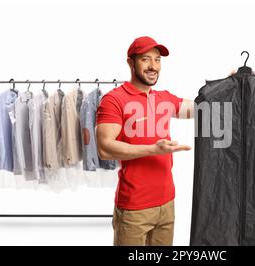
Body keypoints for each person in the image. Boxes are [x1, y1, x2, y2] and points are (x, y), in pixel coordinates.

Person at [95, 36, 194, 246]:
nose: (153, 66)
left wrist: (231, 85)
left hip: (167, 203)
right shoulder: (114, 99)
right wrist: (153, 149)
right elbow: (104, 148)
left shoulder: (163, 98)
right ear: (131, 63)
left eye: (157, 60)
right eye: (146, 59)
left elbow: (201, 108)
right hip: (134, 207)